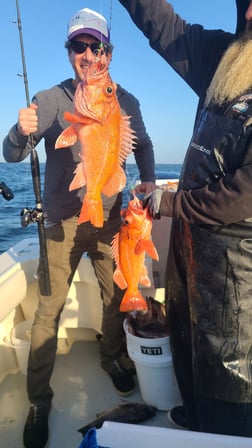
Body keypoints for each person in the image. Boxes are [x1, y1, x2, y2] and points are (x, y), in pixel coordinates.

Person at [3, 7, 156, 448]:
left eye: (96, 46)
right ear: (69, 52)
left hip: (108, 219)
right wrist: (18, 131)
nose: (88, 54)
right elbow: (12, 153)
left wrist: (145, 177)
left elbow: (142, 144)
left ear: (108, 52)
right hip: (62, 223)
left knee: (115, 293)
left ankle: (111, 358)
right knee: (47, 312)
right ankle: (38, 401)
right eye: (79, 46)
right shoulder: (53, 99)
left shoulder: (124, 101)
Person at [118, 0, 252, 438]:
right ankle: (194, 419)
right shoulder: (224, 56)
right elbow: (164, 26)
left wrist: (168, 203)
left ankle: (219, 432)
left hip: (237, 274)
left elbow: (241, 195)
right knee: (186, 343)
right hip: (190, 251)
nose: (249, 15)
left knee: (227, 378)